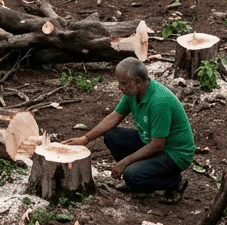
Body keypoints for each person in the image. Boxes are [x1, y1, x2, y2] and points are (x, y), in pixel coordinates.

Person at [62, 58, 193, 204]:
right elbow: (115, 116)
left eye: (123, 83)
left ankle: (173, 182)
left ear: (137, 81)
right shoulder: (133, 94)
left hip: (174, 153)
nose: (120, 87)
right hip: (151, 142)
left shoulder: (160, 102)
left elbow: (157, 145)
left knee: (131, 175)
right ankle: (140, 177)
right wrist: (86, 138)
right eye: (119, 82)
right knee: (112, 136)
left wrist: (125, 163)